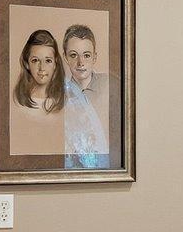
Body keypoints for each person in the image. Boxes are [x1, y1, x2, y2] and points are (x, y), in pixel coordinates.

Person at [60, 23, 111, 167]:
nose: (80, 62)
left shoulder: (112, 85)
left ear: (94, 57)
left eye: (86, 55)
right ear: (65, 57)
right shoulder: (59, 94)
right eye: (73, 55)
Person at [9, 29, 65, 156]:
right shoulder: (17, 104)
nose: (42, 68)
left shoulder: (66, 103)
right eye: (35, 60)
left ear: (55, 63)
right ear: (27, 63)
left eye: (48, 61)